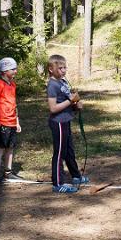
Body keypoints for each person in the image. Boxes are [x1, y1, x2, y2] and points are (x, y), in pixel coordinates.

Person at [46, 54, 87, 194]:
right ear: (51, 69)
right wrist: (70, 101)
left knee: (69, 150)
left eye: (65, 68)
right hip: (58, 122)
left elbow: (70, 100)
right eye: (60, 68)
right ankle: (57, 183)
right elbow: (53, 108)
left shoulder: (62, 82)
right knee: (60, 153)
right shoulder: (52, 85)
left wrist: (76, 104)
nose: (63, 70)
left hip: (66, 120)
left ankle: (76, 176)